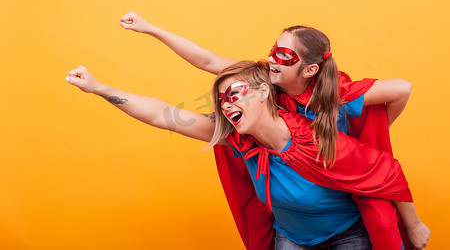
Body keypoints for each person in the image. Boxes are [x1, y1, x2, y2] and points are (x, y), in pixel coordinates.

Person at [117, 11, 430, 249]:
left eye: (283, 55)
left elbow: (402, 89)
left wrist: (366, 134)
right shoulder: (264, 86)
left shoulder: (336, 98)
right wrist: (149, 28)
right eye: (273, 50)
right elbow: (207, 59)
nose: (271, 59)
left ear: (309, 70)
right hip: (292, 229)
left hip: (347, 214)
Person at [66, 61, 428, 249]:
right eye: (222, 99)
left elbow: (385, 173)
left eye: (236, 92)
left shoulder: (316, 133)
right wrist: (99, 88)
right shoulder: (236, 139)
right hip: (293, 238)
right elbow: (162, 115)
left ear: (263, 94)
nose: (227, 103)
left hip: (350, 233)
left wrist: (412, 225)